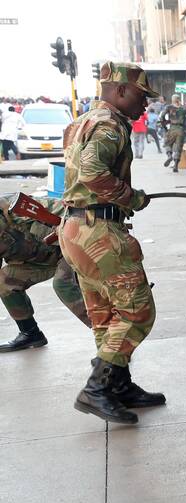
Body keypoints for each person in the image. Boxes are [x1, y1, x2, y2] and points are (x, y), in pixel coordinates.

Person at [59, 61, 164, 425]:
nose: (145, 104)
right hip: (99, 231)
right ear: (120, 90)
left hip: (76, 227)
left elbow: (70, 178)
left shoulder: (82, 122)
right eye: (141, 95)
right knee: (137, 312)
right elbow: (91, 173)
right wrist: (130, 197)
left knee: (106, 314)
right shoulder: (108, 125)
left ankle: (118, 385)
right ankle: (96, 389)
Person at [0, 194, 90, 352]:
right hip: (41, 262)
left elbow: (75, 215)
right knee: (4, 281)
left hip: (71, 249)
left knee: (63, 285)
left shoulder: (17, 206)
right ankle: (30, 333)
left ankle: (110, 340)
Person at [160, 94, 186, 173]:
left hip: (172, 128)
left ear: (172, 99)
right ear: (178, 99)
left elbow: (162, 117)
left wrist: (164, 125)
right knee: (179, 148)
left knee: (167, 144)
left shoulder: (169, 107)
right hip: (181, 130)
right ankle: (176, 166)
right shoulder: (184, 108)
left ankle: (169, 156)